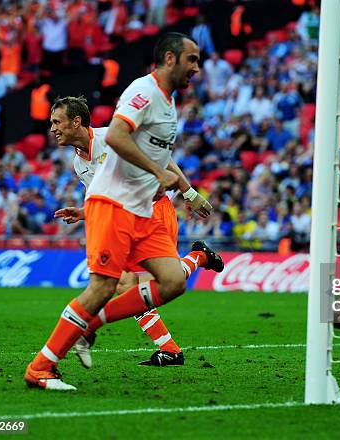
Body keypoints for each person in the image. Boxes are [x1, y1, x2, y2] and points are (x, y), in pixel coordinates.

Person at [25, 33, 213, 391]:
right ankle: (41, 368)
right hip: (116, 209)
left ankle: (90, 325)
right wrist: (158, 175)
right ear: (170, 58)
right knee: (107, 286)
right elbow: (117, 137)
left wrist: (185, 188)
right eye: (192, 59)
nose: (197, 67)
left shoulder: (168, 105)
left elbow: (158, 157)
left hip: (144, 210)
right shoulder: (144, 91)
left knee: (172, 281)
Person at [50, 95, 223, 368]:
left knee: (145, 282)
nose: (52, 129)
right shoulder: (79, 164)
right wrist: (84, 213)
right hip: (127, 219)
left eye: (57, 122)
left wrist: (189, 193)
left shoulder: (111, 138)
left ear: (77, 121)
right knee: (126, 285)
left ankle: (198, 261)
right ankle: (170, 348)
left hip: (154, 211)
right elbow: (103, 195)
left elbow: (161, 159)